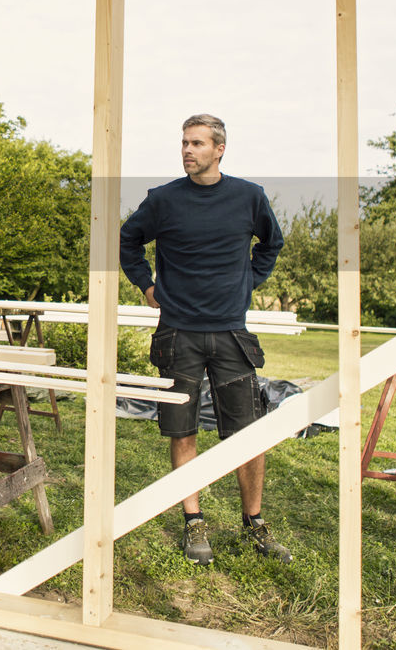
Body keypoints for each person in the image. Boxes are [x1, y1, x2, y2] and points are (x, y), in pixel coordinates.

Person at [119, 113, 287, 566]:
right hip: (178, 332)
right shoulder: (164, 200)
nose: (188, 150)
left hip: (232, 331)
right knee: (183, 427)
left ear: (219, 149)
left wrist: (249, 280)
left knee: (247, 432)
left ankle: (254, 521)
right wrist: (146, 285)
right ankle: (194, 521)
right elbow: (128, 240)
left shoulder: (248, 197)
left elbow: (272, 242)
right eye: (184, 143)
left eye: (197, 143)